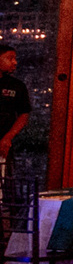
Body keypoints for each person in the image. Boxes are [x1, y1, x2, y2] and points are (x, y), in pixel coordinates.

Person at [0, 48, 27, 176]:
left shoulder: (17, 86)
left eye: (15, 58)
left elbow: (24, 113)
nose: (15, 62)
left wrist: (8, 137)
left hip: (3, 146)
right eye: (10, 58)